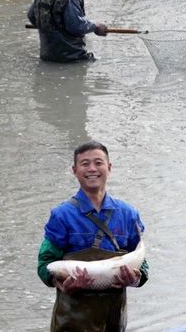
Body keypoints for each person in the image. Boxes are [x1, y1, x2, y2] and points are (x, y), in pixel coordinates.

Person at [37, 140, 149, 332]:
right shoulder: (61, 216)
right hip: (71, 322)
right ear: (74, 170)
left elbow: (143, 265)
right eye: (85, 163)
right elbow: (44, 265)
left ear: (109, 167)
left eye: (98, 162)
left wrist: (135, 279)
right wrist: (64, 285)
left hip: (114, 321)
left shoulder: (128, 214)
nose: (92, 169)